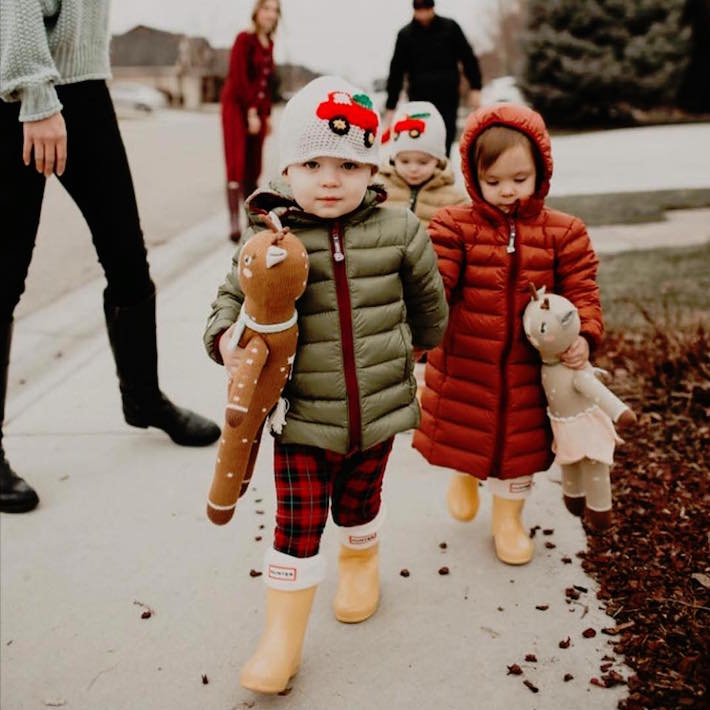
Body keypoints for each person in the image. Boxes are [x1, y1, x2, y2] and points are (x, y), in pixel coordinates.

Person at [204, 76, 448, 694]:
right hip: (301, 418)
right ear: (288, 167)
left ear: (373, 168)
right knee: (298, 523)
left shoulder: (401, 232)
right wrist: (228, 340)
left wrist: (417, 351)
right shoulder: (271, 240)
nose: (331, 179)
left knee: (361, 503)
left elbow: (430, 309)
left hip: (382, 407)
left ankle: (361, 562)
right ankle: (281, 642)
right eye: (313, 163)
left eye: (348, 163)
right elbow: (229, 302)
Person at [0, 0, 221, 515]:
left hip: (84, 87)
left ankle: (143, 399)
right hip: (23, 96)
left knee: (127, 256)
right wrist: (35, 94)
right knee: (6, 274)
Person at [412, 104, 603, 566]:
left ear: (541, 170)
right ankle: (464, 472)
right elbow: (437, 283)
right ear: (474, 178)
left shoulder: (564, 233)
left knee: (521, 451)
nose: (507, 192)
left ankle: (508, 518)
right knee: (467, 436)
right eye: (493, 182)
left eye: (519, 179)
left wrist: (586, 334)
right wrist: (419, 327)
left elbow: (581, 290)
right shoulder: (454, 226)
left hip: (530, 370)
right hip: (467, 362)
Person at [384, 0, 483, 157]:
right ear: (414, 10)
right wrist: (391, 105)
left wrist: (476, 87)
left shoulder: (450, 28)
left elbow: (468, 58)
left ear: (432, 8)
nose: (423, 13)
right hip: (419, 99)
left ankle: (443, 173)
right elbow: (396, 71)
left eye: (426, 8)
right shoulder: (405, 35)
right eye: (419, 9)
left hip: (447, 96)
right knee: (422, 139)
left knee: (445, 138)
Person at [221, 0, 280, 242]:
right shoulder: (244, 39)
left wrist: (266, 114)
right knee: (237, 162)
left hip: (257, 110)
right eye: (266, 9)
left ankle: (250, 217)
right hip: (237, 107)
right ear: (256, 12)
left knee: (254, 165)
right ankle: (234, 223)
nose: (270, 14)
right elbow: (239, 78)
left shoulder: (270, 44)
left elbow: (265, 85)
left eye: (275, 11)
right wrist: (251, 112)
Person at [378, 100, 467, 228]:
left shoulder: (454, 199)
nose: (413, 168)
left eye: (423, 162)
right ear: (394, 158)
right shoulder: (378, 191)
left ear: (438, 160)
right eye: (404, 161)